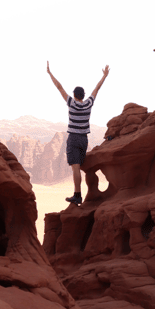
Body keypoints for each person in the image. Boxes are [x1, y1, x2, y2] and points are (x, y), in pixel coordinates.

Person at [46, 61, 110, 206]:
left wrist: (50, 73)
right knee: (79, 167)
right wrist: (104, 76)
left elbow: (59, 87)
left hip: (74, 139)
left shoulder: (71, 103)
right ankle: (84, 193)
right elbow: (97, 89)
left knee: (75, 168)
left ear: (74, 95)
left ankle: (77, 195)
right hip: (84, 139)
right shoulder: (88, 104)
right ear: (83, 95)